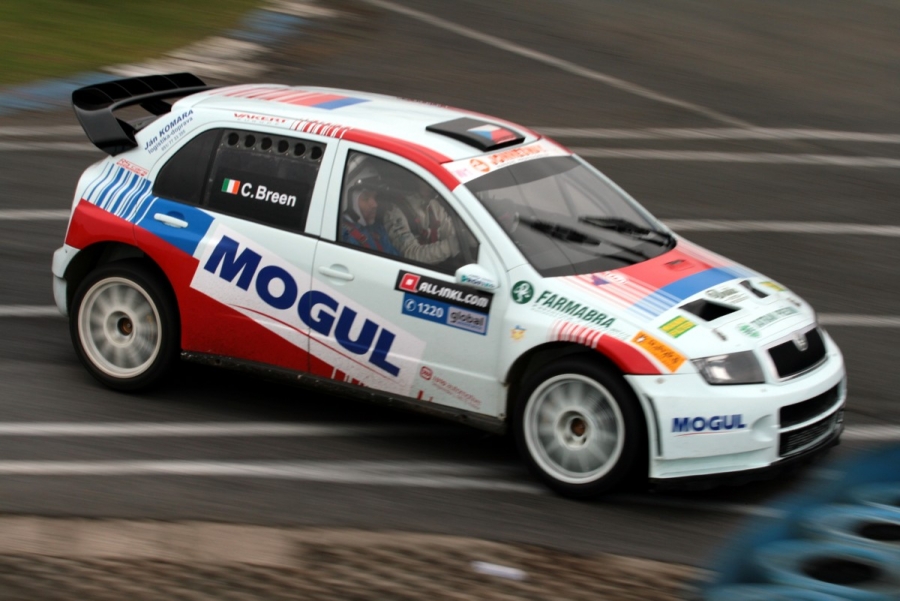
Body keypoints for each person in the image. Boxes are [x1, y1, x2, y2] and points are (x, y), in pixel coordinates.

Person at [383, 177, 461, 268]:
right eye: (426, 180)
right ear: (414, 181)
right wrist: (451, 245)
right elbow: (411, 255)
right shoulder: (395, 212)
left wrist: (463, 237)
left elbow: (452, 233)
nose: (431, 186)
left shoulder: (434, 205)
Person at [339, 173, 400, 256]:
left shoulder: (377, 228)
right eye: (366, 198)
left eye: (374, 197)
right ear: (349, 202)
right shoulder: (343, 235)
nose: (375, 205)